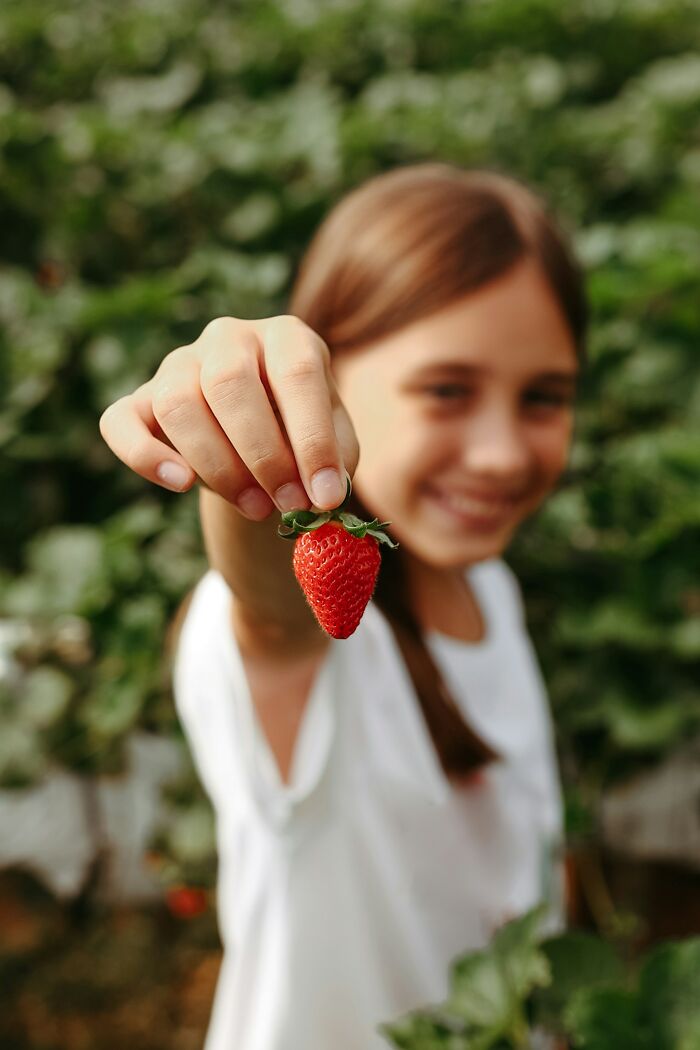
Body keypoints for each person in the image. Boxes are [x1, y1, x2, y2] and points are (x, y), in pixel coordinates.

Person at [99, 162, 587, 1050]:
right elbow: (269, 599)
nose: (500, 451)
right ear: (329, 379)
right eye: (447, 389)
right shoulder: (305, 646)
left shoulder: (490, 591)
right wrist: (254, 440)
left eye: (544, 397)